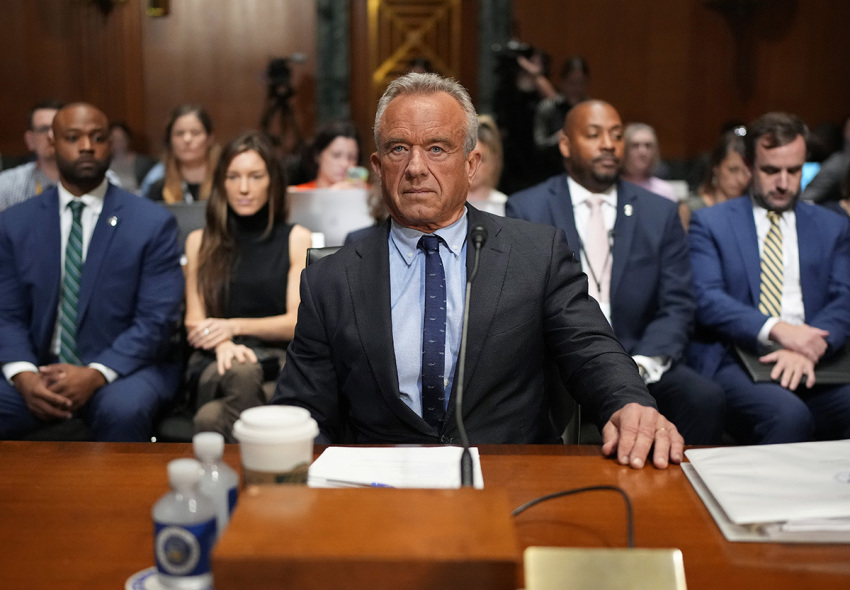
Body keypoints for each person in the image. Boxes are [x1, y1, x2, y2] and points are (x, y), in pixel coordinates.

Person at [273, 73, 683, 469]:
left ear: (471, 164)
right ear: (378, 167)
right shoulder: (331, 280)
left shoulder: (535, 254)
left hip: (509, 483)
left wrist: (630, 404)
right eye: (399, 149)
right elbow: (302, 408)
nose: (416, 167)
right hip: (381, 494)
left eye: (437, 148)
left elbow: (591, 348)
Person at [507, 100, 725, 444]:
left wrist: (642, 363)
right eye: (594, 135)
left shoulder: (660, 212)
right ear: (565, 144)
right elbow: (521, 303)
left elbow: (678, 303)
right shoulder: (528, 207)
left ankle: (675, 494)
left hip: (642, 356)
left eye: (616, 135)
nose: (608, 144)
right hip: (561, 359)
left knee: (704, 398)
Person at [0, 103, 184, 441]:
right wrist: (24, 375)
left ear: (111, 145)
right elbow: (6, 314)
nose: (87, 146)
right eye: (73, 137)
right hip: (40, 366)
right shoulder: (14, 223)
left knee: (124, 410)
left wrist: (96, 373)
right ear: (52, 143)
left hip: (125, 368)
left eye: (98, 138)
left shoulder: (151, 223)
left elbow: (156, 319)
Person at [688, 112, 850, 444]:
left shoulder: (832, 225)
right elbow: (706, 298)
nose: (783, 182)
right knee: (787, 415)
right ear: (749, 166)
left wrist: (806, 346)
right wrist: (780, 331)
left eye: (794, 171)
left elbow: (845, 297)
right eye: (771, 170)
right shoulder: (711, 223)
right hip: (739, 354)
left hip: (816, 355)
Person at [184, 131, 311, 442]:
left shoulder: (296, 238)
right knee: (241, 370)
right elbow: (194, 321)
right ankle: (259, 478)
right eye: (234, 177)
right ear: (221, 183)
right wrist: (223, 343)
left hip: (275, 359)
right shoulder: (199, 242)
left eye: (255, 176)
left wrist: (231, 326)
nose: (244, 188)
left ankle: (235, 479)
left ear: (272, 182)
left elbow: (295, 323)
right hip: (214, 360)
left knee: (210, 418)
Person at [680, 129, 751, 230]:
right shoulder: (691, 208)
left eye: (746, 172)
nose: (740, 179)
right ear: (716, 168)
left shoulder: (753, 209)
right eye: (732, 170)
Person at [0, 100, 64, 211]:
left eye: (57, 128)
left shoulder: (95, 178)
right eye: (44, 129)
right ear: (30, 140)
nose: (51, 135)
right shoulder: (6, 185)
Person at [147, 104, 219, 203]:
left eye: (195, 132)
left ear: (210, 138)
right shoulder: (158, 187)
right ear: (170, 140)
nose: (187, 139)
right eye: (179, 133)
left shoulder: (225, 183)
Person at [292, 121, 367, 190]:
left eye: (351, 157)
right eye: (336, 155)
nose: (345, 164)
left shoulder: (367, 194)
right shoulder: (298, 193)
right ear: (317, 155)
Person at [621, 123, 677, 202]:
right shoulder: (613, 188)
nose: (643, 152)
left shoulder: (665, 191)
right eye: (635, 145)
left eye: (648, 145)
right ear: (625, 149)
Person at [466, 115, 507, 216]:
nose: (472, 167)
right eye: (468, 159)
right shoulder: (446, 206)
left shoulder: (506, 207)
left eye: (480, 160)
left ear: (494, 161)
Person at [107, 121, 157, 195]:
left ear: (128, 139)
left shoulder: (143, 163)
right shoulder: (104, 163)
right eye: (114, 140)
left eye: (120, 139)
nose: (117, 143)